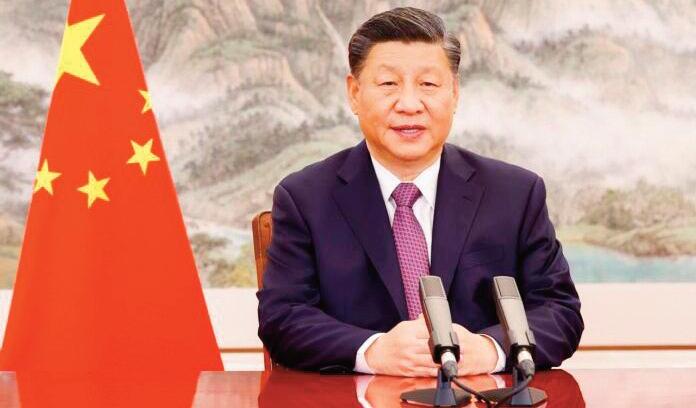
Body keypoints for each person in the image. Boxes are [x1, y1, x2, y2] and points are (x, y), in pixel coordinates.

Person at [257, 7, 583, 377]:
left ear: (454, 93)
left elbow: (560, 312)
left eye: (428, 84)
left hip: (481, 396)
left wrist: (490, 349)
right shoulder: (305, 199)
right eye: (388, 84)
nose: (409, 105)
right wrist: (373, 351)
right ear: (354, 93)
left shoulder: (515, 195)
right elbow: (282, 317)